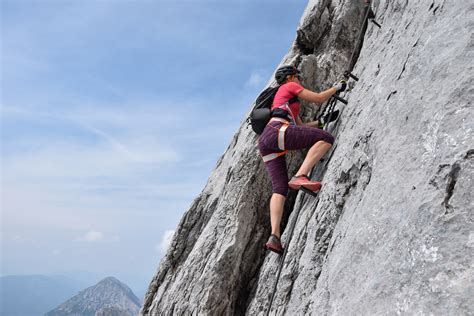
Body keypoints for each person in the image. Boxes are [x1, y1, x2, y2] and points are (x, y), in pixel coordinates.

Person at [258, 65, 346, 254]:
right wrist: (337, 88)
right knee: (326, 138)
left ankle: (274, 236)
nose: (300, 80)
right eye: (298, 77)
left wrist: (322, 121)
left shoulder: (284, 101)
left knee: (279, 188)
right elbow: (319, 98)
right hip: (277, 131)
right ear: (291, 77)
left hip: (267, 140)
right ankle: (300, 175)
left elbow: (300, 127)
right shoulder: (288, 87)